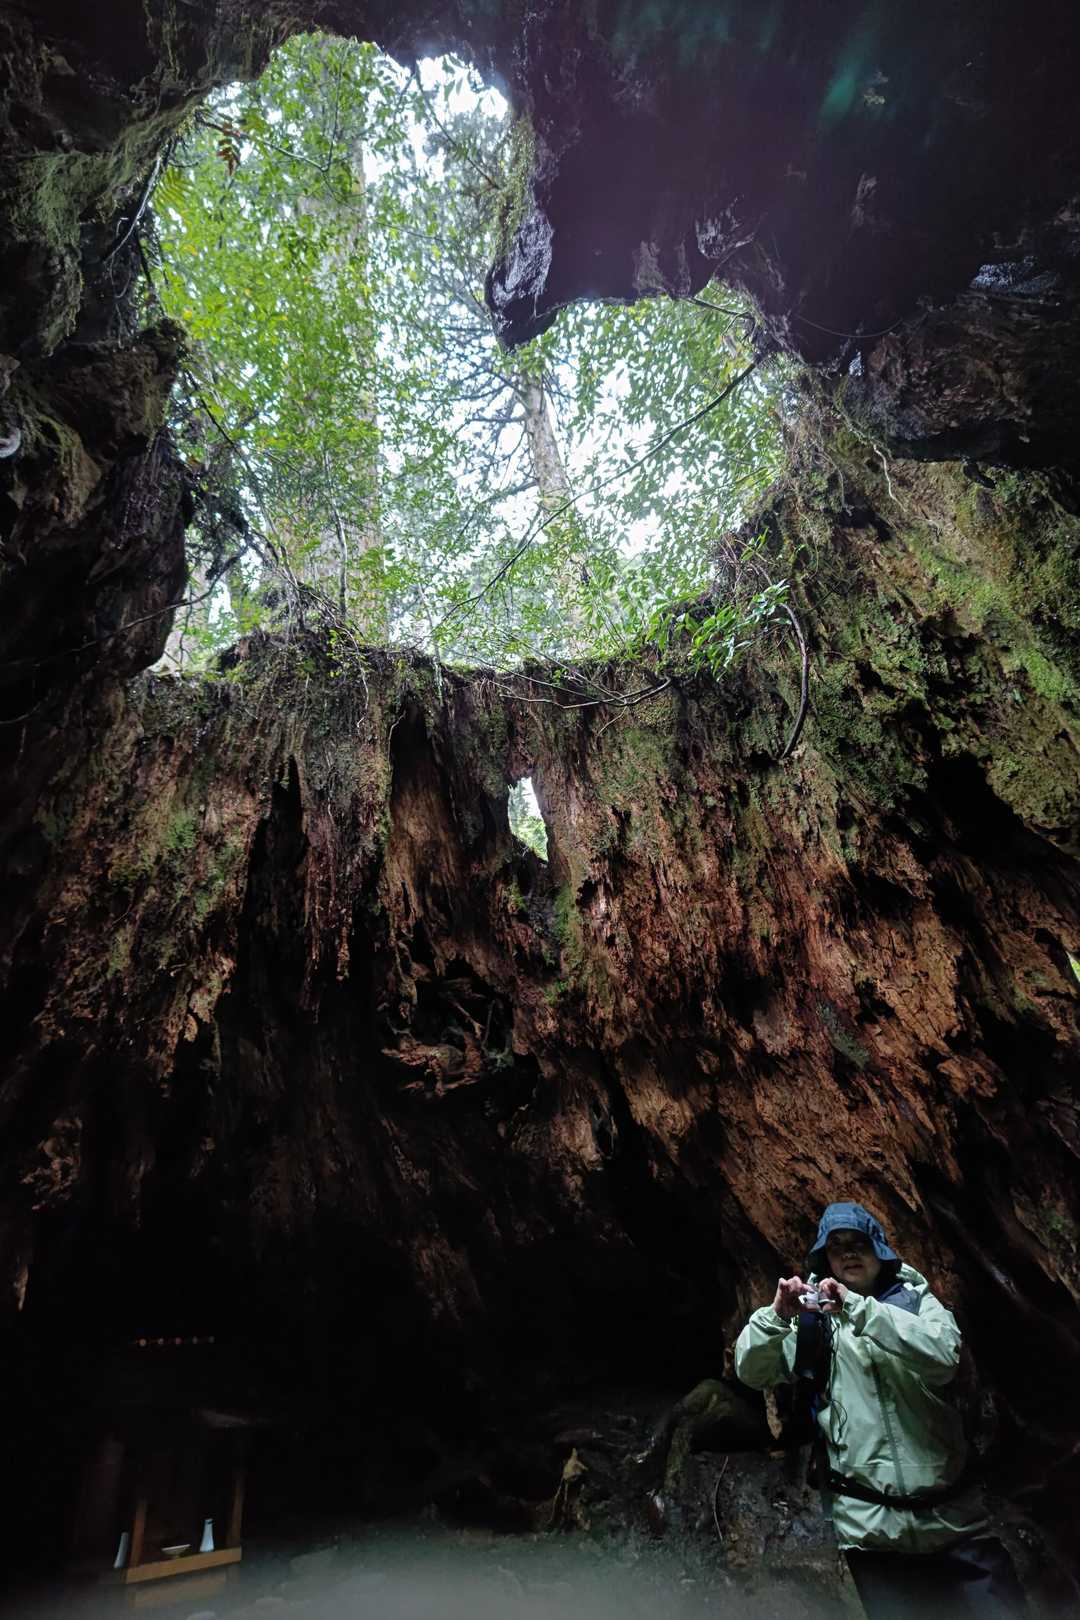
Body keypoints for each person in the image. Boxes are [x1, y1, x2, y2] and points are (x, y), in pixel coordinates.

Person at [735, 1200, 1026, 1619]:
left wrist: (856, 1307)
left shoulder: (917, 1301)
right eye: (837, 1246)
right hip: (872, 1534)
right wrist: (776, 1316)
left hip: (954, 1525)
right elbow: (752, 1371)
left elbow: (943, 1356)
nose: (848, 1253)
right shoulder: (812, 1322)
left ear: (880, 1248)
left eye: (858, 1242)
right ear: (825, 1257)